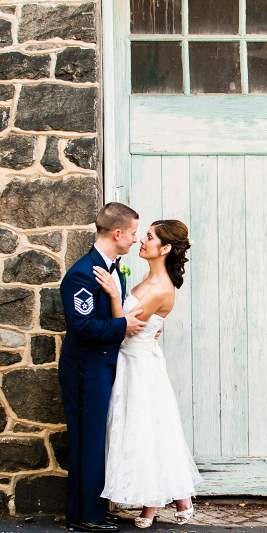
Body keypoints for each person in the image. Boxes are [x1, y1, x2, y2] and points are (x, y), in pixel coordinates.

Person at [96, 219, 202, 529]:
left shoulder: (159, 288)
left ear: (165, 248)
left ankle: (152, 502)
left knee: (144, 430)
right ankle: (181, 499)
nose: (142, 241)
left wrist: (115, 296)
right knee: (149, 429)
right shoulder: (148, 279)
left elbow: (123, 328)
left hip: (140, 366)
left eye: (150, 237)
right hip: (133, 360)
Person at [59, 203, 148, 532]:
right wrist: (123, 326)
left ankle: (93, 508)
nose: (136, 239)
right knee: (88, 439)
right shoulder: (83, 273)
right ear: (118, 233)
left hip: (104, 365)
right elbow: (82, 327)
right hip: (86, 369)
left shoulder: (112, 267)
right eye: (134, 233)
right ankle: (84, 517)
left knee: (99, 439)